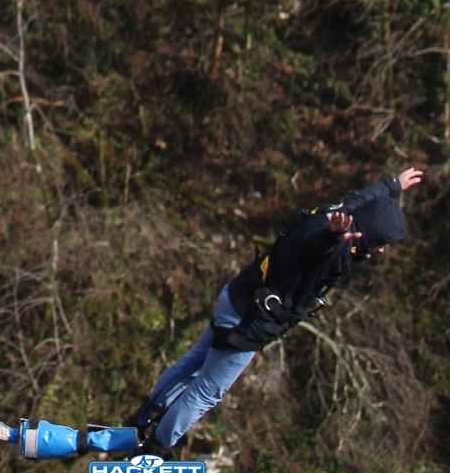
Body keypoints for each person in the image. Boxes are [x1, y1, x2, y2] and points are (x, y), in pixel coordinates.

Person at [131, 166, 425, 453]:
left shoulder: (343, 213)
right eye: (383, 243)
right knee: (207, 392)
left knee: (192, 362)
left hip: (238, 295)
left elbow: (363, 198)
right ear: (371, 233)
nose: (382, 250)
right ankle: (153, 451)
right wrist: (332, 238)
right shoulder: (335, 243)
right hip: (247, 324)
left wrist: (393, 185)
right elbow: (317, 246)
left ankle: (142, 421)